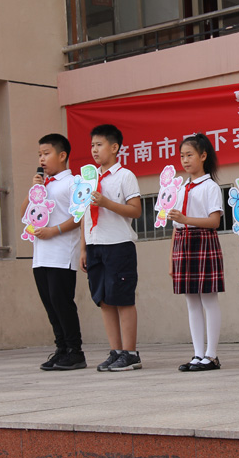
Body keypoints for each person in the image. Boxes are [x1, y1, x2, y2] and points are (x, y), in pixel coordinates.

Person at [79, 124, 143, 372]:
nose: (94, 150)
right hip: (96, 245)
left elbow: (136, 210)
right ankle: (115, 351)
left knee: (123, 299)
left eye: (99, 145)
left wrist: (106, 202)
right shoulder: (88, 178)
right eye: (92, 145)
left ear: (114, 147)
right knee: (104, 300)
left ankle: (131, 353)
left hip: (118, 245)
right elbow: (85, 215)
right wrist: (84, 248)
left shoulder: (124, 175)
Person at [20, 134, 85, 371]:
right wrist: (34, 189)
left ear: (62, 155)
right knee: (49, 303)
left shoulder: (72, 182)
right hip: (41, 255)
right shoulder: (43, 184)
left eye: (46, 153)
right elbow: (23, 214)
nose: (42, 158)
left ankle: (75, 351)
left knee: (61, 301)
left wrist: (54, 230)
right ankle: (61, 349)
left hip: (61, 253)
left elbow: (78, 217)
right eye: (39, 154)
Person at [168, 133, 225, 372]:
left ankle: (211, 355)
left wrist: (185, 219)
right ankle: (197, 354)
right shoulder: (179, 187)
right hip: (182, 242)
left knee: (208, 298)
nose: (185, 160)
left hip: (202, 240)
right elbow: (174, 224)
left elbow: (214, 222)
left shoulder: (210, 186)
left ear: (203, 156)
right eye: (182, 156)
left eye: (190, 155)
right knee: (191, 300)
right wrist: (172, 258)